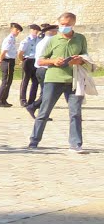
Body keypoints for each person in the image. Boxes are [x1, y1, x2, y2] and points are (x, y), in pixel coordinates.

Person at [30, 12, 89, 153]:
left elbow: (85, 56)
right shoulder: (52, 40)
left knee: (75, 113)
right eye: (62, 24)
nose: (64, 27)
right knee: (44, 111)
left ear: (73, 24)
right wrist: (53, 61)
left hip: (74, 80)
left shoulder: (80, 38)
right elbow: (40, 60)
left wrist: (79, 60)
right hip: (53, 79)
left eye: (68, 25)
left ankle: (76, 144)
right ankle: (34, 141)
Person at [25, 22, 56, 118]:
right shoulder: (50, 42)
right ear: (50, 31)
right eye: (56, 30)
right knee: (48, 93)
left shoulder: (41, 41)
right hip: (45, 69)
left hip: (39, 69)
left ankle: (42, 114)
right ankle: (33, 107)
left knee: (45, 93)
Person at [0, 22, 22, 107]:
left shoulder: (13, 39)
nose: (18, 32)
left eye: (19, 30)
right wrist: (0, 59)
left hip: (10, 61)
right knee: (6, 82)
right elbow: (4, 51)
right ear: (12, 29)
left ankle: (3, 100)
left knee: (8, 81)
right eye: (16, 30)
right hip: (7, 61)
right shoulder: (9, 39)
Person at [17, 24, 41, 108]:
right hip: (27, 60)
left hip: (35, 60)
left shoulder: (39, 39)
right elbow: (20, 52)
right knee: (25, 80)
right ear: (31, 30)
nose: (36, 32)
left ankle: (32, 100)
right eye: (34, 30)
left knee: (35, 81)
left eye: (37, 30)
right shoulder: (26, 40)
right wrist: (22, 60)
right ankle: (23, 100)